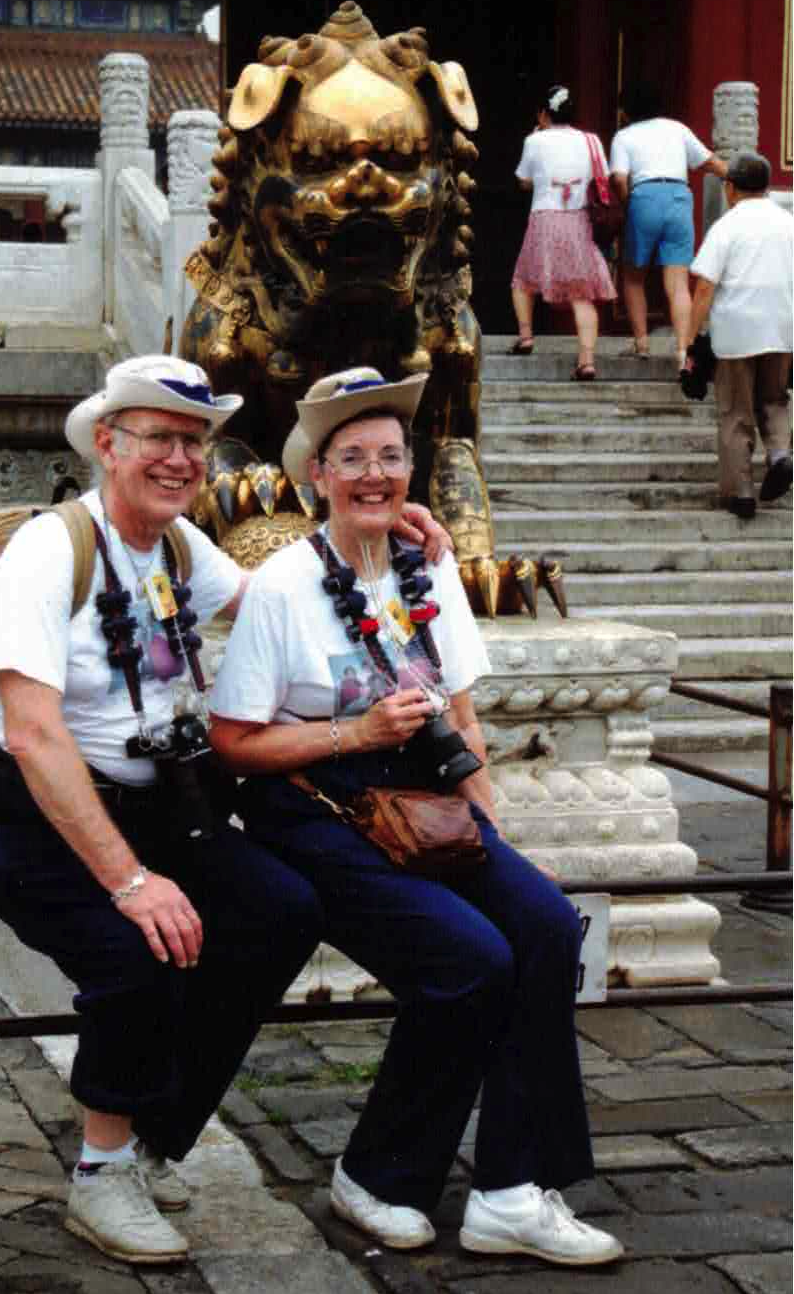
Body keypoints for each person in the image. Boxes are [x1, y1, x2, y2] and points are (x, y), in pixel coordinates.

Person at [0, 354, 449, 1267]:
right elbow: (33, 734)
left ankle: (149, 1137)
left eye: (194, 443)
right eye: (159, 439)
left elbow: (288, 609)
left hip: (153, 802)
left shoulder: (178, 547)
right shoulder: (53, 549)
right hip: (25, 813)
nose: (181, 460)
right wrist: (132, 882)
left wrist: (368, 529)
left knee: (280, 908)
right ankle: (101, 1176)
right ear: (107, 444)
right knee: (135, 944)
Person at [208, 366, 625, 1267]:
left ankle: (514, 1191)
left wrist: (499, 847)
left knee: (545, 927)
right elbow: (234, 743)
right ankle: (379, 1176)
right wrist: (350, 729)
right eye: (351, 457)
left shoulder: (425, 564)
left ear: (412, 471)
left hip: (424, 798)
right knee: (470, 961)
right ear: (316, 474)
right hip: (311, 803)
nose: (374, 475)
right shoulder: (284, 584)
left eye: (391, 457)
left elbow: (462, 720)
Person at [685, 151, 794, 519]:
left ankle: (742, 490)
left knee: (735, 410)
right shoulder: (787, 223)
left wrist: (689, 339)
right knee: (775, 399)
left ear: (729, 187)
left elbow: (704, 289)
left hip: (735, 332)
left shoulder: (726, 227)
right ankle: (779, 455)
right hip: (782, 328)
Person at [610, 84, 727, 367]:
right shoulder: (677, 129)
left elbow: (618, 179)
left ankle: (642, 344)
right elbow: (709, 162)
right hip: (678, 197)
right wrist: (737, 178)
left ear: (626, 111)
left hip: (644, 197)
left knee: (634, 276)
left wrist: (628, 205)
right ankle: (683, 350)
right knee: (677, 282)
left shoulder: (624, 136)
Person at [510, 85, 616, 380]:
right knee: (582, 294)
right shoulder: (591, 140)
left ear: (544, 114)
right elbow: (602, 178)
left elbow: (523, 180)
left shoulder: (535, 141)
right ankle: (586, 360)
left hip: (545, 216)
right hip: (577, 219)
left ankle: (526, 336)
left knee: (523, 280)